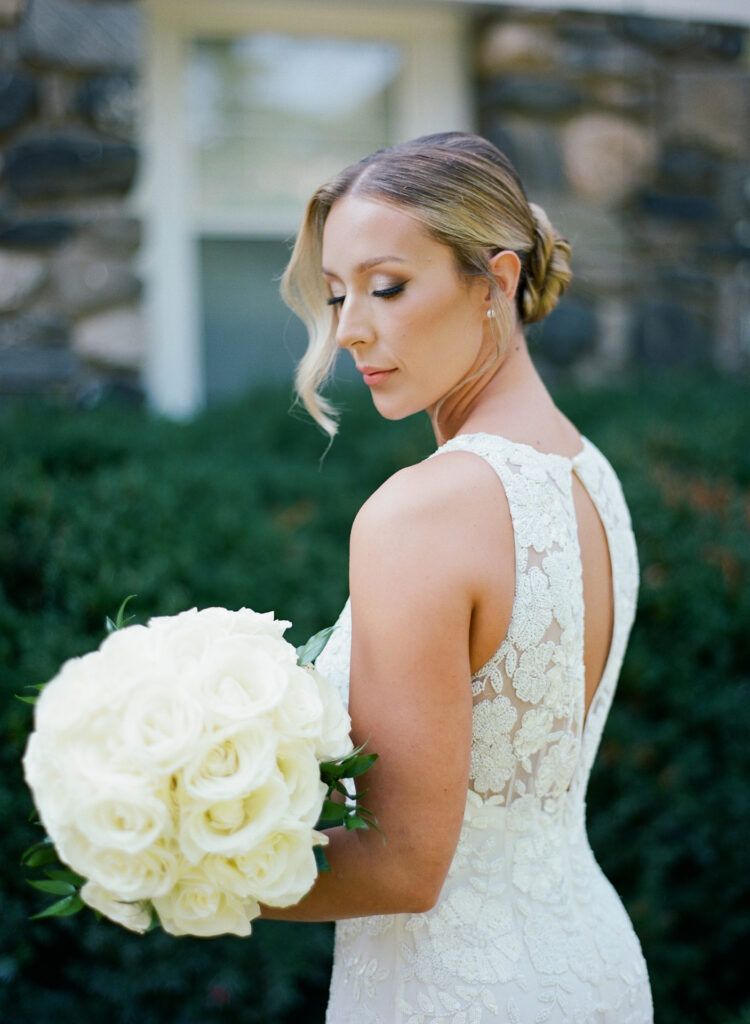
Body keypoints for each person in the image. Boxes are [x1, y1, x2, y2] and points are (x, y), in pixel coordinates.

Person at [263, 132, 653, 1023]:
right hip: (591, 964)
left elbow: (401, 866)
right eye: (336, 293)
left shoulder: (421, 510)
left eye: (387, 286)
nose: (350, 327)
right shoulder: (590, 475)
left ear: (498, 281)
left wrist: (179, 874)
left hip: (454, 992)